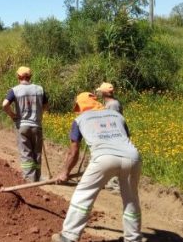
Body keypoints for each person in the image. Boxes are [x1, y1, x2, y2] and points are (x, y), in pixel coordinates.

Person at [51, 92, 142, 242]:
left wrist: (65, 172)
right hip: (133, 157)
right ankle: (133, 239)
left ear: (81, 106)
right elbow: (124, 139)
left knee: (83, 194)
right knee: (131, 199)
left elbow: (74, 152)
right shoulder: (117, 116)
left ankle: (68, 236)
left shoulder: (79, 119)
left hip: (104, 158)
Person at [2, 66, 49, 182]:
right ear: (30, 77)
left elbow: (4, 104)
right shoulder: (39, 89)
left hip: (22, 126)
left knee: (26, 153)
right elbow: (46, 105)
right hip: (37, 125)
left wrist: (12, 115)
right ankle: (37, 178)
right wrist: (39, 114)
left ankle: (29, 179)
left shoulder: (15, 90)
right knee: (37, 153)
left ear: (18, 77)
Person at [96, 82, 123, 193]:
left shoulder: (113, 105)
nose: (99, 93)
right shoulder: (109, 104)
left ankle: (115, 186)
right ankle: (106, 182)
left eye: (100, 92)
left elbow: (113, 121)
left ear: (104, 93)